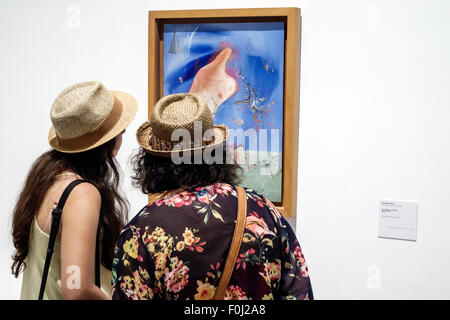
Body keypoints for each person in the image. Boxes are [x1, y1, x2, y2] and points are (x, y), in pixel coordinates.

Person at [112, 93, 313, 300]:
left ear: (152, 162)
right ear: (215, 151)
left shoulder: (141, 231)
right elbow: (299, 291)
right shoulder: (261, 207)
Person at [11, 81, 137, 299]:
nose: (124, 130)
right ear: (102, 141)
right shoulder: (81, 194)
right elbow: (76, 287)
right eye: (117, 127)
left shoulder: (45, 180)